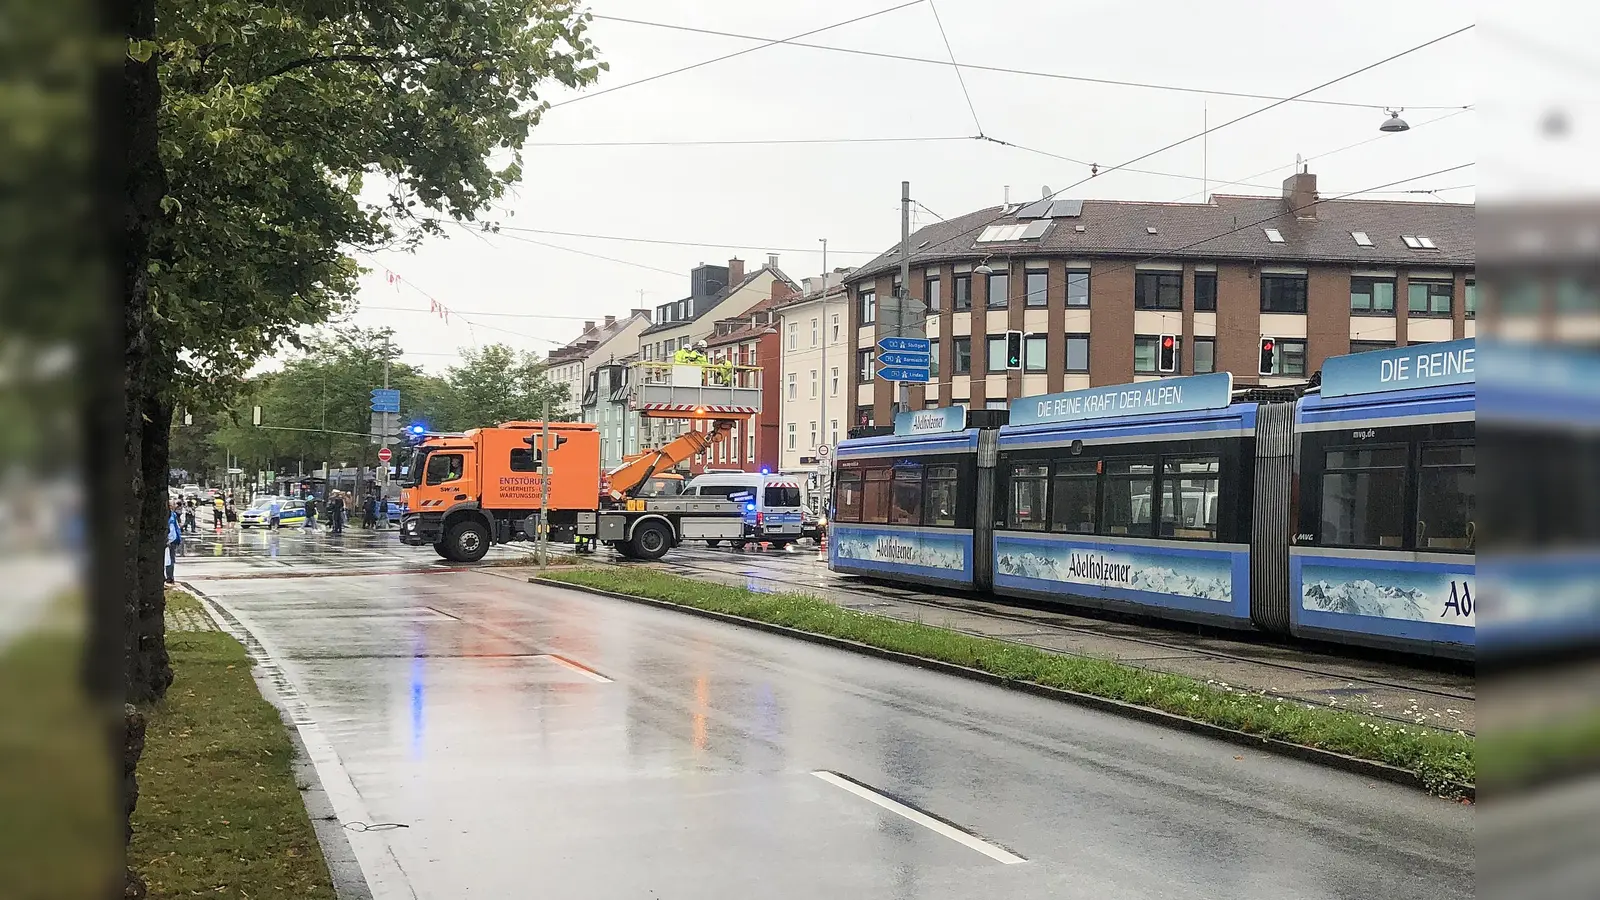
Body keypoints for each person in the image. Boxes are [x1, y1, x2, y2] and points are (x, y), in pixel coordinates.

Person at [165, 500, 182, 583]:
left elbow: (172, 530)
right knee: (170, 559)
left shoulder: (171, 515)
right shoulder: (172, 515)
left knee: (169, 559)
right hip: (172, 540)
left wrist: (169, 540)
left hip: (171, 541)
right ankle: (170, 576)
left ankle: (169, 577)